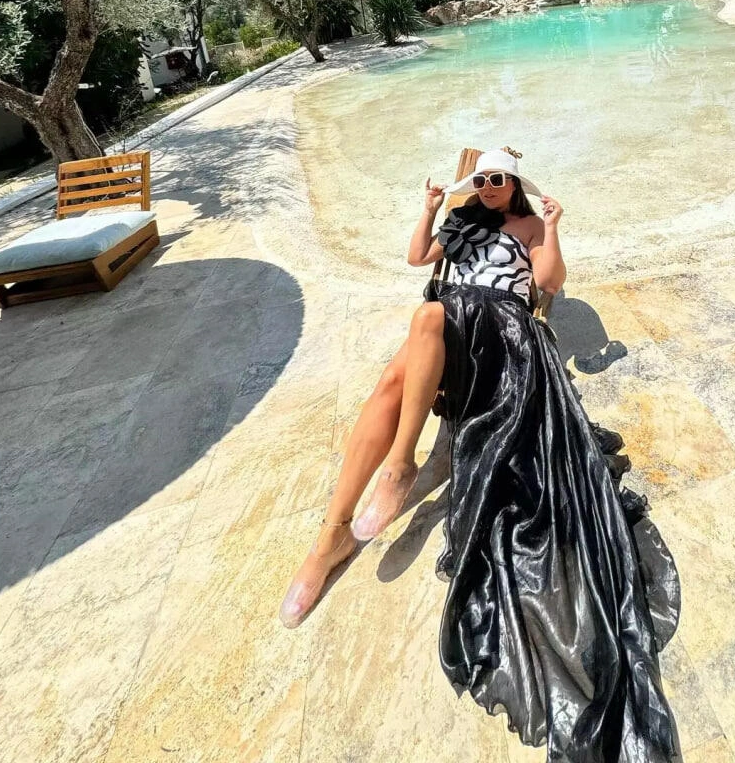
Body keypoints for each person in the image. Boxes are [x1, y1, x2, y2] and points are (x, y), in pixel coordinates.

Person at [279, 148, 681, 761]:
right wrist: (431, 208)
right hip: (449, 328)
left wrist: (552, 227)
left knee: (423, 323)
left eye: (498, 179)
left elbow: (548, 284)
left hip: (507, 341)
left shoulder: (529, 225)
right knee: (402, 364)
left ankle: (397, 468)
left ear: (514, 183)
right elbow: (418, 258)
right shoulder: (462, 222)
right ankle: (334, 532)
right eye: (481, 179)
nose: (489, 187)